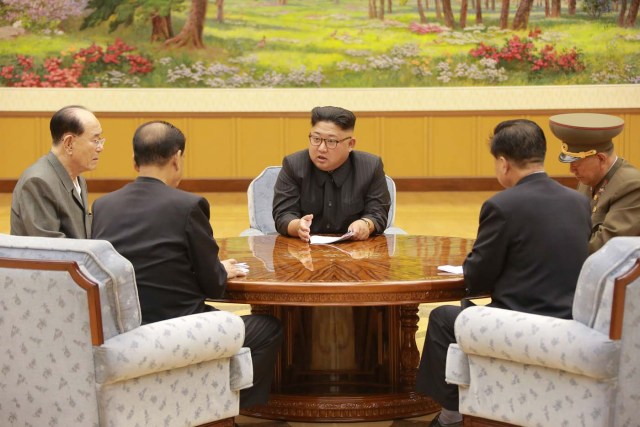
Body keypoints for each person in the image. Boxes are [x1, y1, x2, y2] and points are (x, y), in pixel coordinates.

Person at [91, 121, 282, 409]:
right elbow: (214, 284)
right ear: (177, 158)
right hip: (178, 329)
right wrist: (220, 270)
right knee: (268, 328)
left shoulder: (104, 206)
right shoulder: (188, 205)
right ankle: (227, 412)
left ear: (134, 161)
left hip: (121, 332)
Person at [416, 119, 592, 427]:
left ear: (502, 162)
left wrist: (473, 265)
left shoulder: (502, 205)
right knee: (462, 313)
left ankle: (452, 414)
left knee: (444, 319)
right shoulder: (578, 201)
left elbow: (478, 278)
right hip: (569, 321)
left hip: (523, 325)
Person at [272, 106, 391, 242]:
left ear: (350, 144)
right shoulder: (293, 165)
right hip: (304, 251)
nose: (321, 148)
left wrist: (365, 224)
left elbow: (378, 213)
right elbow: (283, 215)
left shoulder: (370, 166)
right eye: (316, 139)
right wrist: (298, 226)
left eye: (331, 141)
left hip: (355, 252)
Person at [550, 112, 640, 253]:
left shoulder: (631, 185)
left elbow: (606, 245)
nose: (571, 170)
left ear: (601, 159)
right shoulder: (589, 178)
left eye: (576, 163)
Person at [11, 105, 104, 238]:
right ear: (69, 143)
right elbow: (50, 250)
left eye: (100, 140)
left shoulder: (78, 177)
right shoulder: (38, 181)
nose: (100, 147)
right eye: (95, 140)